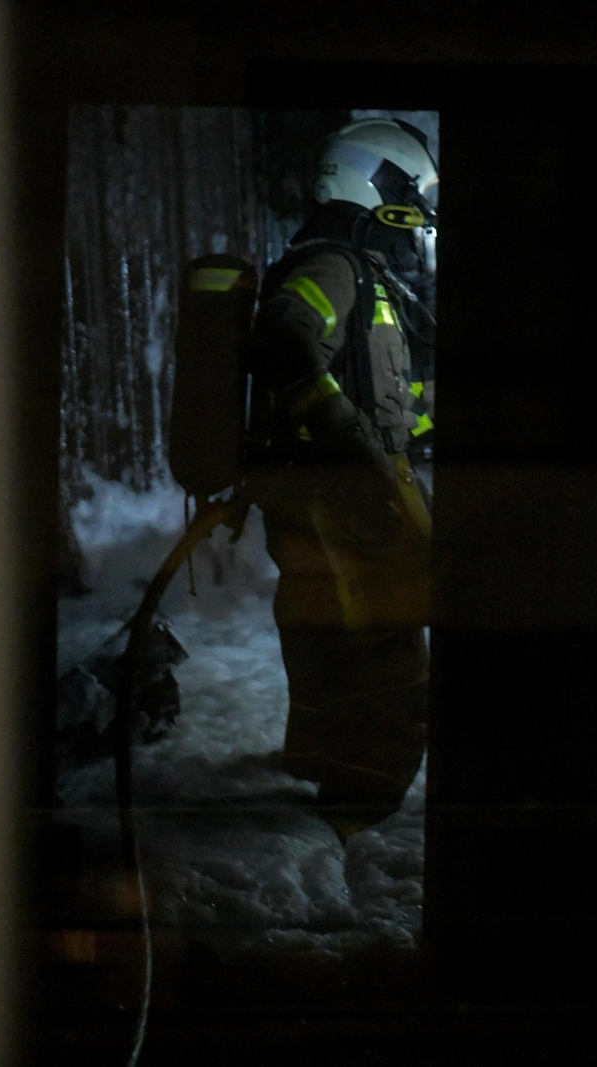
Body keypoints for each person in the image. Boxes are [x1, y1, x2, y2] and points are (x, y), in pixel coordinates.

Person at [243, 118, 439, 841]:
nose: (416, 223)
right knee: (384, 668)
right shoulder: (330, 266)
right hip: (342, 507)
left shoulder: (365, 277)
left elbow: (382, 399)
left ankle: (334, 799)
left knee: (346, 657)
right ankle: (358, 822)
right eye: (409, 202)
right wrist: (356, 453)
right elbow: (284, 339)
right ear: (373, 184)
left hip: (354, 502)